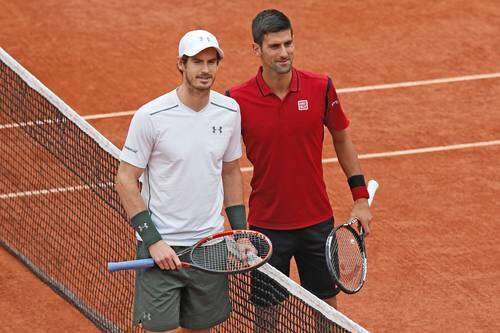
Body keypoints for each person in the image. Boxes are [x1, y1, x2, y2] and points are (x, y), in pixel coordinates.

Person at [226, 9, 373, 314]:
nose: (284, 52)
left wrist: (360, 199)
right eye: (275, 46)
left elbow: (342, 138)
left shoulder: (320, 87)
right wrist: (239, 229)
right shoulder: (236, 101)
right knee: (267, 314)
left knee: (327, 312)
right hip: (267, 228)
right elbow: (226, 168)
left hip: (317, 224)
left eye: (288, 44)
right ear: (257, 50)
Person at [116, 29, 247, 333]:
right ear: (181, 65)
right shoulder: (152, 116)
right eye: (197, 62)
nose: (205, 70)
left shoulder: (229, 111)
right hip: (162, 247)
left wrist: (240, 232)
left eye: (211, 62)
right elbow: (125, 178)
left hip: (209, 245)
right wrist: (154, 241)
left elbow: (230, 170)